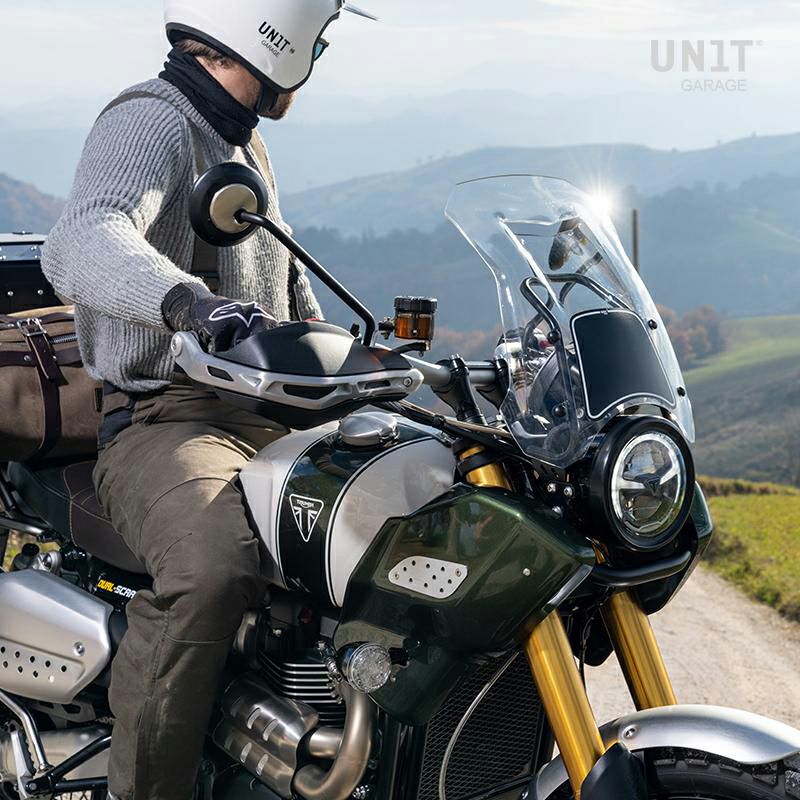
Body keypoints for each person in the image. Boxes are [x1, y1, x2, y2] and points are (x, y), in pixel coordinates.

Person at [40, 2, 374, 799]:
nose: (318, 56)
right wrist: (188, 303)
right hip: (166, 417)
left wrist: (360, 360)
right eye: (318, 39)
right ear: (274, 32)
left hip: (265, 415)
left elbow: (285, 297)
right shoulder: (152, 120)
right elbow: (83, 236)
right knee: (212, 569)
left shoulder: (241, 141)